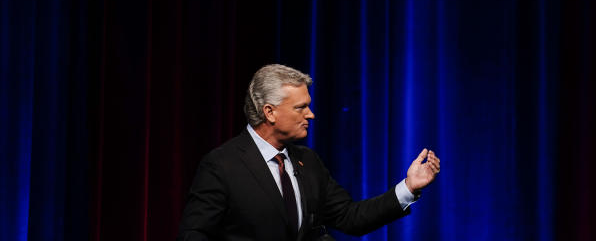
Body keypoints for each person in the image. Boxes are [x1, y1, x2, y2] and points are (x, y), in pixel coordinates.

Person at [178, 64, 440, 240]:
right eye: (300, 108)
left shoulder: (308, 161)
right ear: (269, 112)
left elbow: (350, 218)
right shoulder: (222, 166)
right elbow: (193, 236)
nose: (311, 115)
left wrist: (408, 187)